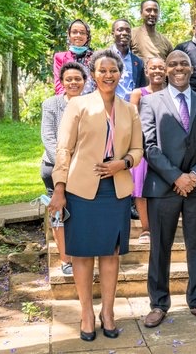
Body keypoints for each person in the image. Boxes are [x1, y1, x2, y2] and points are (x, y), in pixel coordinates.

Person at [48, 49, 143, 341]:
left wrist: (122, 163)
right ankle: (87, 313)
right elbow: (64, 148)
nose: (108, 75)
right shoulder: (78, 105)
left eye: (113, 70)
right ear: (94, 74)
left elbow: (138, 151)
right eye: (102, 70)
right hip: (80, 188)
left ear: (120, 73)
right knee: (83, 254)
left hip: (114, 190)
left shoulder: (130, 109)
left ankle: (109, 312)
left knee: (110, 254)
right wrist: (60, 187)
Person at [140, 50, 196, 328]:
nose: (178, 68)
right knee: (160, 247)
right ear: (166, 69)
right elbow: (148, 146)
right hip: (163, 187)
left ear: (191, 68)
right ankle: (158, 304)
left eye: (183, 63)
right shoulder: (150, 102)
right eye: (172, 64)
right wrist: (176, 177)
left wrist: (194, 175)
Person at [41, 62, 88, 275]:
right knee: (59, 212)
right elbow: (48, 138)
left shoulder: (92, 104)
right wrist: (65, 166)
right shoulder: (51, 104)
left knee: (79, 212)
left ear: (85, 81)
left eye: (78, 79)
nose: (73, 82)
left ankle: (82, 254)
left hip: (83, 169)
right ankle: (65, 259)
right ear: (62, 82)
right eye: (69, 79)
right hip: (54, 167)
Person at [128, 57, 167, 244]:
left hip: (166, 146)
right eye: (153, 68)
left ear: (166, 71)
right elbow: (133, 121)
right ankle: (145, 228)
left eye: (161, 68)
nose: (157, 71)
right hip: (143, 145)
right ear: (146, 71)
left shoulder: (171, 93)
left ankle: (161, 227)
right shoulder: (138, 93)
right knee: (141, 188)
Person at [53, 19, 95, 95]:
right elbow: (59, 84)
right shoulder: (60, 57)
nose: (78, 35)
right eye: (74, 32)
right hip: (68, 100)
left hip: (92, 101)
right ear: (69, 35)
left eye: (82, 33)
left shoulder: (95, 57)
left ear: (87, 36)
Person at [110, 19, 146, 102]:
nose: (125, 33)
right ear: (113, 34)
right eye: (120, 30)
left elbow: (141, 87)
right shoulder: (104, 56)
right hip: (108, 107)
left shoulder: (138, 61)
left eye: (128, 30)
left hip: (131, 107)